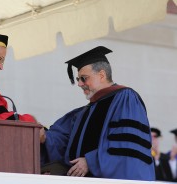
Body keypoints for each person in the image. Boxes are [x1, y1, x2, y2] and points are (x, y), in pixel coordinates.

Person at [40, 46, 155, 180]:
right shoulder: (84, 112)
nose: (80, 84)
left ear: (101, 75)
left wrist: (91, 161)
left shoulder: (126, 99)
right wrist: (44, 137)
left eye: (84, 78)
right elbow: (63, 140)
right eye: (78, 79)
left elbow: (126, 146)